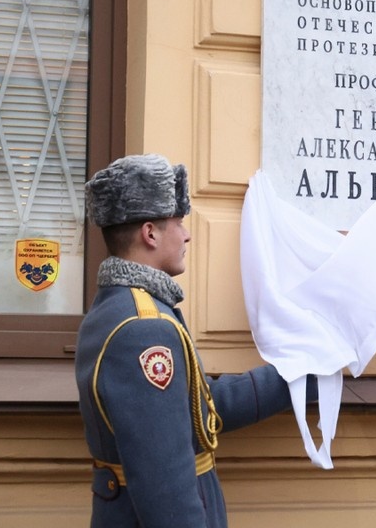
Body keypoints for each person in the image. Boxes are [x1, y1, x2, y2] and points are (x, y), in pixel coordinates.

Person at [74, 153, 311, 527]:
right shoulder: (144, 329)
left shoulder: (124, 307)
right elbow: (164, 486)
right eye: (178, 222)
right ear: (150, 233)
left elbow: (199, 410)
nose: (186, 234)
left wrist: (303, 376)